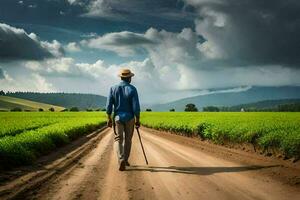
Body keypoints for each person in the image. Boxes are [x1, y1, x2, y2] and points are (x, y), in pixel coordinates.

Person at [106, 68, 141, 171]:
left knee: (118, 139)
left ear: (121, 77)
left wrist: (108, 118)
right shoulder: (133, 89)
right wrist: (137, 119)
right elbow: (136, 107)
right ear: (129, 78)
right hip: (130, 118)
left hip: (117, 117)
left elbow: (109, 105)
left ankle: (120, 158)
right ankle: (125, 160)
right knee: (128, 140)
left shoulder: (113, 88)